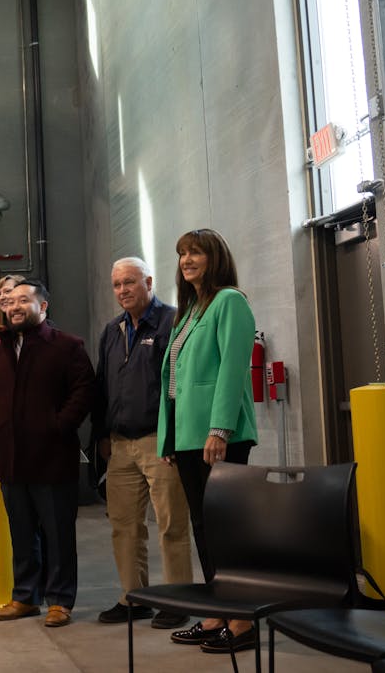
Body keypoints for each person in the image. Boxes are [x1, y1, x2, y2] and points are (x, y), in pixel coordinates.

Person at [157, 229, 259, 655]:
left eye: (195, 252)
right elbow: (174, 382)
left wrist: (220, 429)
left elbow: (233, 369)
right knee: (203, 527)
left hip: (218, 436)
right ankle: (218, 612)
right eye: (182, 253)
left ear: (213, 258)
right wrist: (169, 438)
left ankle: (242, 620)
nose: (187, 260)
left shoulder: (229, 302)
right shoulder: (190, 310)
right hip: (187, 436)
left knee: (227, 528)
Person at [0, 279, 95, 628]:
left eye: (23, 301)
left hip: (53, 457)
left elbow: (83, 390)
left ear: (43, 307)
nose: (14, 307)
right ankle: (25, 596)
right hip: (11, 456)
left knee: (58, 533)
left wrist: (58, 426)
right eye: (10, 302)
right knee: (22, 531)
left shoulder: (67, 346)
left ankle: (60, 600)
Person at [92, 257, 193, 628]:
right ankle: (134, 598)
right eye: (117, 285)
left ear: (149, 281)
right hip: (119, 445)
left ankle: (177, 599)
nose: (122, 291)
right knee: (124, 525)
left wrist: (176, 439)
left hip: (160, 442)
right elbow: (102, 386)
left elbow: (179, 386)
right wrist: (101, 435)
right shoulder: (112, 330)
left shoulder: (173, 321)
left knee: (171, 524)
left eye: (130, 283)